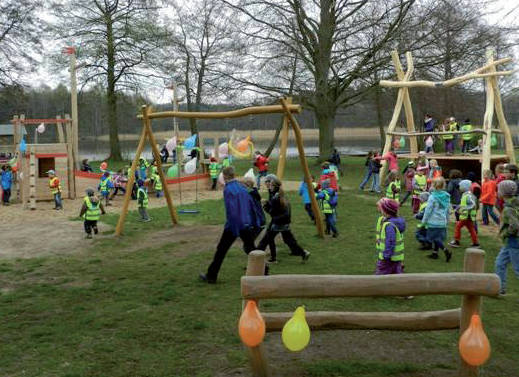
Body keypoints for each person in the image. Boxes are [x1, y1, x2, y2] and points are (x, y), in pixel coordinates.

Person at [199, 167, 263, 283]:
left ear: (224, 176)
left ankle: (211, 276)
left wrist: (233, 228)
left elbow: (232, 210)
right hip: (246, 223)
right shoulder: (241, 187)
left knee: (221, 250)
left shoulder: (228, 189)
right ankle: (264, 270)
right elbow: (251, 204)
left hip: (234, 225)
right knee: (251, 248)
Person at [257, 174, 310, 264]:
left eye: (268, 182)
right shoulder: (277, 193)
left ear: (272, 184)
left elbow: (272, 211)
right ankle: (303, 253)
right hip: (283, 220)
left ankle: (268, 258)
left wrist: (265, 205)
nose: (266, 184)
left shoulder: (276, 196)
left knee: (268, 239)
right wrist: (268, 202)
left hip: (278, 221)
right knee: (288, 239)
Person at [494, 180, 519, 296]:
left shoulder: (509, 208)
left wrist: (506, 233)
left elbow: (515, 225)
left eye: (498, 189)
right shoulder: (512, 204)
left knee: (517, 269)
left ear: (502, 192)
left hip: (514, 241)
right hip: (510, 242)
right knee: (500, 263)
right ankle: (500, 288)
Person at [422, 177, 452, 261]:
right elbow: (447, 209)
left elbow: (428, 210)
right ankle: (435, 253)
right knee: (438, 237)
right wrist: (447, 219)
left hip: (433, 221)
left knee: (434, 238)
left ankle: (446, 251)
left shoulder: (432, 197)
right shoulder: (446, 196)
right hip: (442, 221)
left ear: (434, 185)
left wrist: (424, 221)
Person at [375, 198, 406, 276]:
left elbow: (391, 241)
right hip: (397, 258)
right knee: (396, 277)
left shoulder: (389, 225)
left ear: (385, 211)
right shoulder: (397, 222)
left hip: (388, 259)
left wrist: (386, 256)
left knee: (379, 279)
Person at [449, 179, 479, 248]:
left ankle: (456, 241)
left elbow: (473, 204)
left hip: (466, 216)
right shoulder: (466, 195)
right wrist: (457, 208)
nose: (459, 188)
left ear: (464, 187)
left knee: (458, 226)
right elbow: (463, 204)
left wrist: (464, 209)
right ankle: (476, 243)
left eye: (460, 186)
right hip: (468, 216)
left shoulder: (468, 195)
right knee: (471, 229)